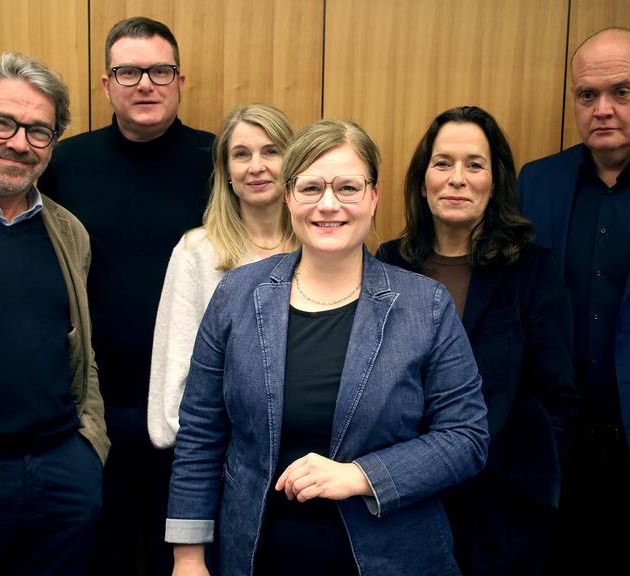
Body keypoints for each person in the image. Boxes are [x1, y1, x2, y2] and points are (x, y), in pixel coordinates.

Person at [165, 118, 489, 576]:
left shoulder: (426, 307)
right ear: (289, 197)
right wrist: (188, 555)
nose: (329, 205)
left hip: (391, 556)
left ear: (374, 197)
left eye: (348, 187)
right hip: (257, 555)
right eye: (312, 188)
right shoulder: (238, 294)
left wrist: (361, 475)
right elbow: (201, 431)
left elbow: (466, 438)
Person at [37, 16, 215, 575]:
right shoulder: (63, 164)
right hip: (88, 412)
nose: (145, 83)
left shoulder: (222, 163)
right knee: (103, 558)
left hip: (196, 409)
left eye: (159, 70)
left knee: (187, 560)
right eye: (128, 71)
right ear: (106, 84)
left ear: (180, 80)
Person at [518, 27, 630, 576]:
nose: (602, 109)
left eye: (621, 91)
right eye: (586, 95)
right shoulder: (536, 182)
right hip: (560, 452)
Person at [0, 52, 108, 576]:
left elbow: (81, 351)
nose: (19, 142)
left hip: (61, 475)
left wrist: (87, 449)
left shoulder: (69, 231)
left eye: (39, 131)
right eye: (2, 122)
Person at [377, 105, 575, 575]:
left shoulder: (531, 270)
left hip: (506, 509)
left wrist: (534, 489)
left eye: (474, 164)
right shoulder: (388, 265)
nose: (457, 178)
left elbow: (560, 396)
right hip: (410, 501)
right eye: (443, 163)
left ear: (495, 180)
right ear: (423, 178)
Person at [148, 103, 296, 449]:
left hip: (311, 455)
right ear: (226, 171)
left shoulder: (320, 248)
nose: (256, 167)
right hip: (224, 455)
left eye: (271, 151)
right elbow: (175, 376)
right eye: (241, 154)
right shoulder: (197, 252)